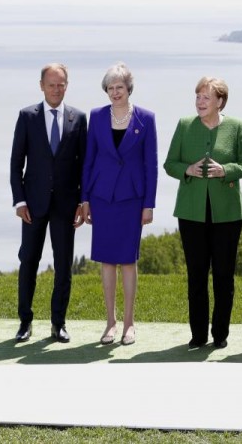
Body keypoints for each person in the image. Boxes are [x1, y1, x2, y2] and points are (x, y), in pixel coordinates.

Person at [164, 77, 242, 350]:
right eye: (198, 97)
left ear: (220, 101)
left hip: (227, 214)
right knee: (197, 275)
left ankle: (220, 334)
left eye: (206, 97)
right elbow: (170, 164)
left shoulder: (236, 126)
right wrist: (186, 170)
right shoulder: (184, 126)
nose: (200, 102)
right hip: (191, 212)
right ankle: (198, 335)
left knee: (224, 276)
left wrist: (225, 170)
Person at [81, 63, 158, 346]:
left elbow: (151, 165)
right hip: (101, 198)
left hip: (131, 199)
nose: (115, 92)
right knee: (107, 260)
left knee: (128, 260)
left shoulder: (146, 119)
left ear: (129, 89)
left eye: (120, 88)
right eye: (110, 88)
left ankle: (129, 324)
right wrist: (85, 199)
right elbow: (89, 159)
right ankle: (110, 323)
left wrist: (149, 204)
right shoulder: (97, 116)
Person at [10, 63, 87, 343]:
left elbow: (84, 166)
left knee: (64, 266)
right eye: (51, 84)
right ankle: (25, 322)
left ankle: (58, 324)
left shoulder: (79, 118)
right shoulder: (27, 116)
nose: (56, 89)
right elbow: (16, 162)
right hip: (33, 205)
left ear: (67, 85)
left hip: (66, 206)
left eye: (61, 84)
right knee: (28, 261)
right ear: (41, 85)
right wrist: (19, 201)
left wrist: (82, 201)